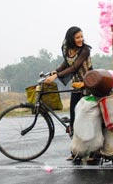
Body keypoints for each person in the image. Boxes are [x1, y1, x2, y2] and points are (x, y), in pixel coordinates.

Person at [44, 26, 93, 160]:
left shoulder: (85, 50)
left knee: (85, 119)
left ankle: (93, 152)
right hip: (76, 85)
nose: (80, 39)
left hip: (88, 84)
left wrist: (56, 76)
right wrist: (55, 71)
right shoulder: (66, 48)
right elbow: (66, 63)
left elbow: (74, 67)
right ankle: (76, 152)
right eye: (77, 37)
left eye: (82, 36)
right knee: (73, 118)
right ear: (71, 38)